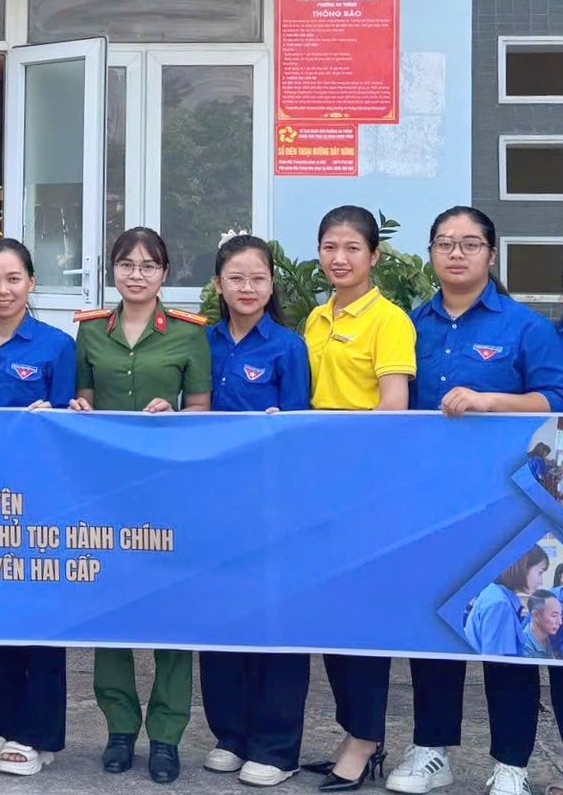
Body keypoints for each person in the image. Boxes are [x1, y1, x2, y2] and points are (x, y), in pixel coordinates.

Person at [389, 206, 563, 795]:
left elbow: (559, 400)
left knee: (508, 630)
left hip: (506, 506)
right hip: (430, 502)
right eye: (445, 243)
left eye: (470, 244)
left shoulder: (524, 326)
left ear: (491, 254)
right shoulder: (411, 325)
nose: (457, 253)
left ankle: (512, 763)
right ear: (430, 253)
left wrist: (494, 401)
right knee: (433, 627)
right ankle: (431, 750)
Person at [68, 226, 210, 785]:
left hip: (169, 489)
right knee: (113, 611)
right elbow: (84, 400)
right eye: (127, 264)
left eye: (149, 265)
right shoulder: (90, 332)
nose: (137, 274)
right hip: (108, 491)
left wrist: (176, 416)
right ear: (113, 271)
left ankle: (167, 735)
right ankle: (121, 729)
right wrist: (80, 408)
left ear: (164, 274)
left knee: (172, 614)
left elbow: (202, 409)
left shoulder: (188, 334)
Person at [300, 206, 415, 793]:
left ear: (374, 255)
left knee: (363, 616)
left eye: (351, 248)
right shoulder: (316, 317)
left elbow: (393, 407)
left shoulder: (389, 321)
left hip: (365, 489)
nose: (339, 258)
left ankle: (367, 738)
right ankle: (354, 732)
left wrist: (350, 465)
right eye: (329, 247)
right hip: (316, 486)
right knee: (330, 617)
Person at [0, 237, 74, 779]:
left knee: (39, 616)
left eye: (13, 279)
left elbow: (70, 424)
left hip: (39, 503)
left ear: (32, 282)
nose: (2, 290)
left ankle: (37, 735)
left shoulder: (57, 345)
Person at [199, 235, 311, 788]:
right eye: (236, 278)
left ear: (271, 286)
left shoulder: (289, 347)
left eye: (258, 278)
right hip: (212, 504)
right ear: (219, 285)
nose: (247, 288)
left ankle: (276, 747)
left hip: (271, 504)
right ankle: (231, 736)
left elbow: (298, 428)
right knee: (221, 618)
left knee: (274, 620)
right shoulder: (201, 341)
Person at [462, 548, 548, 659]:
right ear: (523, 568)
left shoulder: (495, 594)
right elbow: (496, 664)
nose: (541, 581)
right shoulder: (500, 604)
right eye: (540, 572)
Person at [517, 593, 563, 662]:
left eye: (560, 615)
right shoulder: (524, 648)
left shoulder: (546, 639)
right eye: (554, 616)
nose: (560, 622)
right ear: (536, 615)